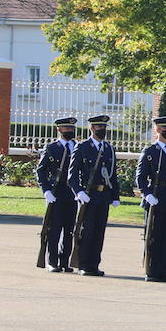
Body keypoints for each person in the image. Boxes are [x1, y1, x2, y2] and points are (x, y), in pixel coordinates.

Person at [66, 114, 120, 276]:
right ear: (91, 128)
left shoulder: (108, 148)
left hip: (103, 196)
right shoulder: (82, 147)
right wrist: (79, 192)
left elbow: (113, 174)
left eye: (104, 127)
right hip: (88, 195)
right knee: (86, 231)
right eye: (98, 127)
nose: (102, 130)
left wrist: (115, 195)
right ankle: (83, 264)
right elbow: (72, 175)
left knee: (99, 232)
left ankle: (94, 264)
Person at [135, 115, 166, 283]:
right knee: (154, 237)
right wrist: (148, 194)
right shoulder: (150, 151)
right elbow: (141, 177)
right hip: (156, 197)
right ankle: (152, 270)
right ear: (158, 130)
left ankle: (164, 270)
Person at [35, 116, 78, 273]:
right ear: (59, 129)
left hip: (72, 193)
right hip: (56, 192)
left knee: (70, 229)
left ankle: (65, 261)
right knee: (54, 229)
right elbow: (41, 171)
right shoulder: (52, 148)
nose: (70, 131)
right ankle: (52, 261)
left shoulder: (77, 147)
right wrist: (46, 190)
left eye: (72, 129)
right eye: (67, 129)